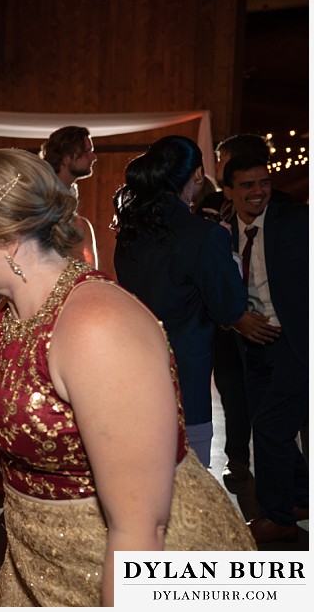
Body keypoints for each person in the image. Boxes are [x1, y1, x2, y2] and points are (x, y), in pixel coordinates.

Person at [0, 148, 255, 607]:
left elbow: (140, 527)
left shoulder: (99, 328)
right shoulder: (12, 308)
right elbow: (35, 427)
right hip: (36, 562)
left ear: (8, 238)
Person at [112, 135, 249, 466]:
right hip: (185, 373)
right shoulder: (206, 234)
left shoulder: (129, 232)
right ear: (198, 175)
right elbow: (229, 308)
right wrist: (231, 257)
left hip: (135, 367)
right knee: (190, 483)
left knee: (144, 473)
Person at [193, 133, 290, 487]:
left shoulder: (284, 210)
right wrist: (233, 317)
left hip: (278, 325)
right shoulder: (213, 208)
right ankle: (237, 459)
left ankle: (288, 488)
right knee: (233, 393)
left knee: (275, 413)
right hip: (229, 323)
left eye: (221, 158)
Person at [222, 155, 309, 544]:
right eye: (247, 185)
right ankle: (298, 498)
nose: (259, 191)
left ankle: (277, 518)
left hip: (294, 340)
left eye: (264, 183)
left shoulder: (295, 223)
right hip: (252, 343)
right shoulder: (220, 232)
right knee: (266, 424)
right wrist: (236, 319)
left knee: (270, 428)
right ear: (228, 191)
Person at [39, 125, 99, 266]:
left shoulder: (67, 190)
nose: (93, 157)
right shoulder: (46, 194)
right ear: (66, 158)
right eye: (87, 152)